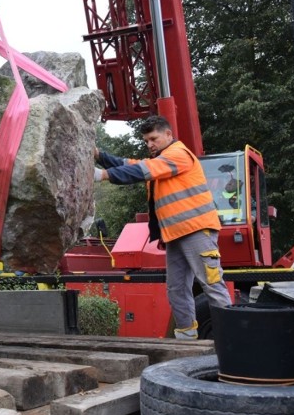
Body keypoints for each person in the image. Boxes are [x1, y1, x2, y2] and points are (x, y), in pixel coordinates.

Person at [93, 115, 232, 339]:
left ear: (169, 134)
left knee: (212, 283)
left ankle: (232, 338)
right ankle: (186, 337)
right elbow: (129, 165)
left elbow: (141, 171)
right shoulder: (161, 158)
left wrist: (102, 175)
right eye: (146, 141)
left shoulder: (178, 154)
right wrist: (99, 156)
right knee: (176, 288)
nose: (149, 144)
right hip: (175, 234)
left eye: (153, 139)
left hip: (196, 230)